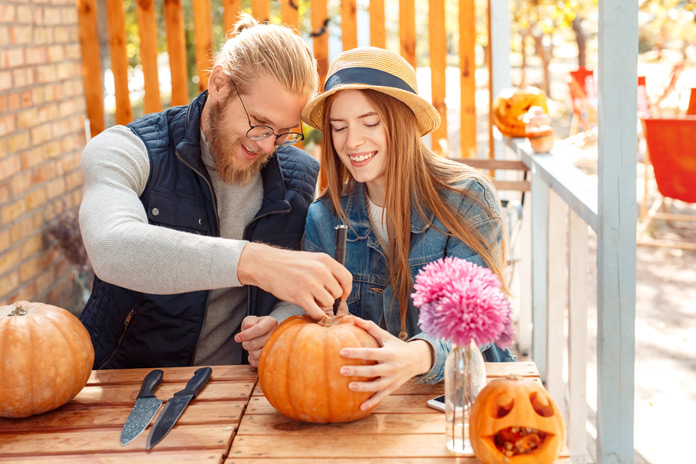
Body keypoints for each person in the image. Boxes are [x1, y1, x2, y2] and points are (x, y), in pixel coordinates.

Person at [78, 14, 351, 370]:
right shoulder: (126, 149)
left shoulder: (298, 174)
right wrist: (254, 262)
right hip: (124, 386)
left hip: (236, 392)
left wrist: (282, 323)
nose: (268, 145)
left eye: (284, 132)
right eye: (259, 124)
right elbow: (110, 247)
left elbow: (296, 288)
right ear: (220, 83)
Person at [301, 47, 516, 411]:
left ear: (403, 123)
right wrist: (280, 321)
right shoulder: (324, 218)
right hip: (373, 409)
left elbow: (475, 316)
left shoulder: (467, 200)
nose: (351, 142)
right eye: (339, 128)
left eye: (370, 123)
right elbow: (310, 316)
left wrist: (418, 356)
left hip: (465, 403)